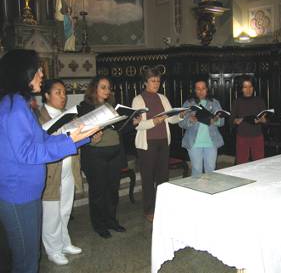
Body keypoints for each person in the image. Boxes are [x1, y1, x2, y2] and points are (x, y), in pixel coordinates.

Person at [0, 49, 98, 273]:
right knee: (26, 260)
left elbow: (42, 138)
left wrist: (76, 138)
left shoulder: (20, 104)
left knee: (29, 256)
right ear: (22, 73)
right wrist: (70, 141)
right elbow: (27, 152)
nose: (42, 74)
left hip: (27, 191)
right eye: (37, 69)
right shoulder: (14, 107)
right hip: (18, 193)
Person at [37, 79, 95, 265]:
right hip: (51, 172)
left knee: (64, 211)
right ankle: (52, 249)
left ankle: (64, 242)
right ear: (46, 95)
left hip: (68, 168)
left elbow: (74, 140)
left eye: (64, 92)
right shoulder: (39, 117)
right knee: (51, 213)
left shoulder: (68, 116)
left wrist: (90, 135)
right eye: (58, 92)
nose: (63, 96)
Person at [79, 76, 135, 239]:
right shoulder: (85, 107)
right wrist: (90, 138)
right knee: (98, 192)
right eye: (103, 87)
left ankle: (111, 221)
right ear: (94, 88)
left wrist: (132, 123)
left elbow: (119, 129)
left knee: (112, 191)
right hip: (95, 155)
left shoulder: (112, 107)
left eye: (108, 87)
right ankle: (99, 225)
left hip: (115, 153)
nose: (107, 90)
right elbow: (80, 133)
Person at [132, 67, 183, 222]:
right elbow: (138, 125)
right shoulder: (138, 99)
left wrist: (180, 115)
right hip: (147, 144)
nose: (156, 83)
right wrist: (155, 121)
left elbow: (171, 118)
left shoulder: (163, 98)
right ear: (145, 82)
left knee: (163, 177)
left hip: (163, 141)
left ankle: (163, 206)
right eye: (153, 81)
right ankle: (149, 210)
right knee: (148, 178)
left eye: (158, 81)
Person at [179, 78, 224, 177]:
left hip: (211, 142)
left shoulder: (214, 102)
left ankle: (210, 192)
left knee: (211, 170)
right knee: (196, 171)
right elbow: (181, 124)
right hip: (194, 142)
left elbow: (222, 122)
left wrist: (216, 120)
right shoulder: (188, 103)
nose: (200, 91)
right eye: (198, 88)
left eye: (203, 88)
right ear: (194, 90)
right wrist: (190, 120)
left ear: (207, 89)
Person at [231, 76, 267, 164]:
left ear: (253, 88)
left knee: (259, 163)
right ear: (241, 89)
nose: (248, 89)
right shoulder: (237, 102)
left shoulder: (259, 101)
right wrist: (235, 121)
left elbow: (266, 121)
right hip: (242, 136)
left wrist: (263, 120)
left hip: (257, 135)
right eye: (245, 87)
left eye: (250, 87)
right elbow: (231, 119)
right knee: (241, 163)